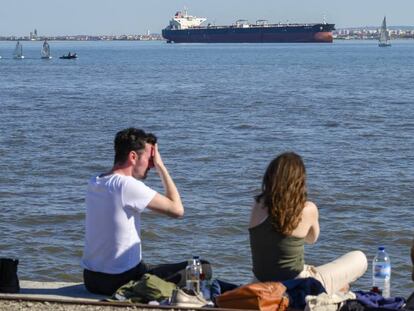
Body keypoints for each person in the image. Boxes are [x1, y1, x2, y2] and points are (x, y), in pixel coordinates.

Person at [81, 128, 185, 295]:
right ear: (133, 157)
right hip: (119, 280)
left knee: (147, 267)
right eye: (150, 158)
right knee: (201, 267)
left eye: (154, 160)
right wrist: (161, 166)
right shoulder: (126, 185)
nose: (151, 164)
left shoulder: (95, 182)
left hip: (91, 280)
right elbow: (177, 210)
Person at [249, 152, 367, 295]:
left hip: (258, 283)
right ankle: (337, 288)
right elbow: (312, 239)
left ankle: (337, 287)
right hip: (296, 286)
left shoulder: (257, 205)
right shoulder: (308, 209)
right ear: (299, 182)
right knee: (360, 258)